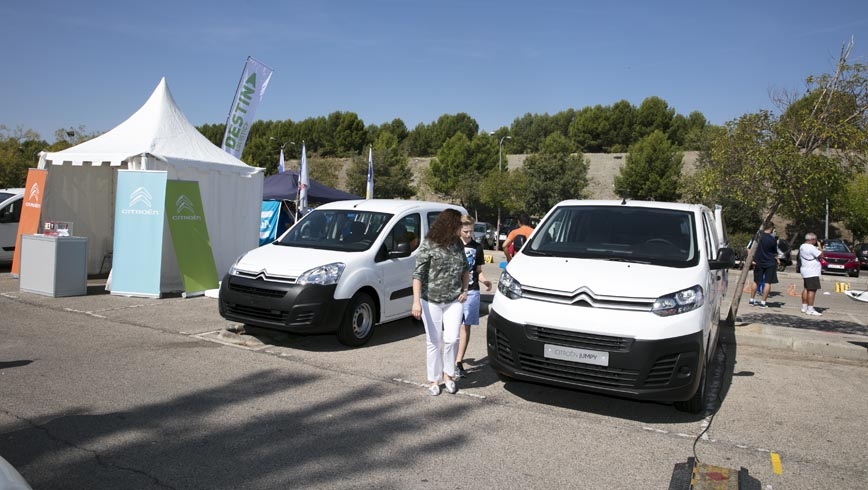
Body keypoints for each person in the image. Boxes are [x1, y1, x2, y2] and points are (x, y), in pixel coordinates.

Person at [411, 209, 471, 396]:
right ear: (448, 225)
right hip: (431, 301)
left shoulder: (457, 245)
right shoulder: (429, 244)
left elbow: (465, 269)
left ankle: (448, 376)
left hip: (454, 300)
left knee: (452, 339)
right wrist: (416, 302)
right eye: (458, 225)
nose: (461, 229)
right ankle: (434, 380)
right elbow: (418, 274)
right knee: (434, 341)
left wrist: (465, 290)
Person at [456, 215, 493, 377]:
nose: (468, 235)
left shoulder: (477, 248)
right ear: (459, 230)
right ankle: (449, 360)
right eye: (465, 231)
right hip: (454, 292)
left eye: (471, 231)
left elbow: (478, 271)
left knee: (465, 327)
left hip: (472, 291)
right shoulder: (452, 246)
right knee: (452, 327)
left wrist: (485, 281)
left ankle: (458, 362)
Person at [749, 223, 780, 308]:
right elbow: (774, 252)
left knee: (756, 281)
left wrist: (752, 259)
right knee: (767, 282)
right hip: (770, 262)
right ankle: (763, 302)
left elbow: (750, 248)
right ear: (770, 228)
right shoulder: (772, 239)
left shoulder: (757, 237)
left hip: (758, 261)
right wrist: (777, 259)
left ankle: (752, 299)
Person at [798, 232, 824, 316]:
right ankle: (810, 309)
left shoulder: (802, 246)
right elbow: (821, 255)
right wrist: (820, 246)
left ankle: (804, 306)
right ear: (812, 240)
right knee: (812, 290)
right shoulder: (811, 247)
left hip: (805, 269)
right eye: (815, 240)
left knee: (806, 288)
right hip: (812, 271)